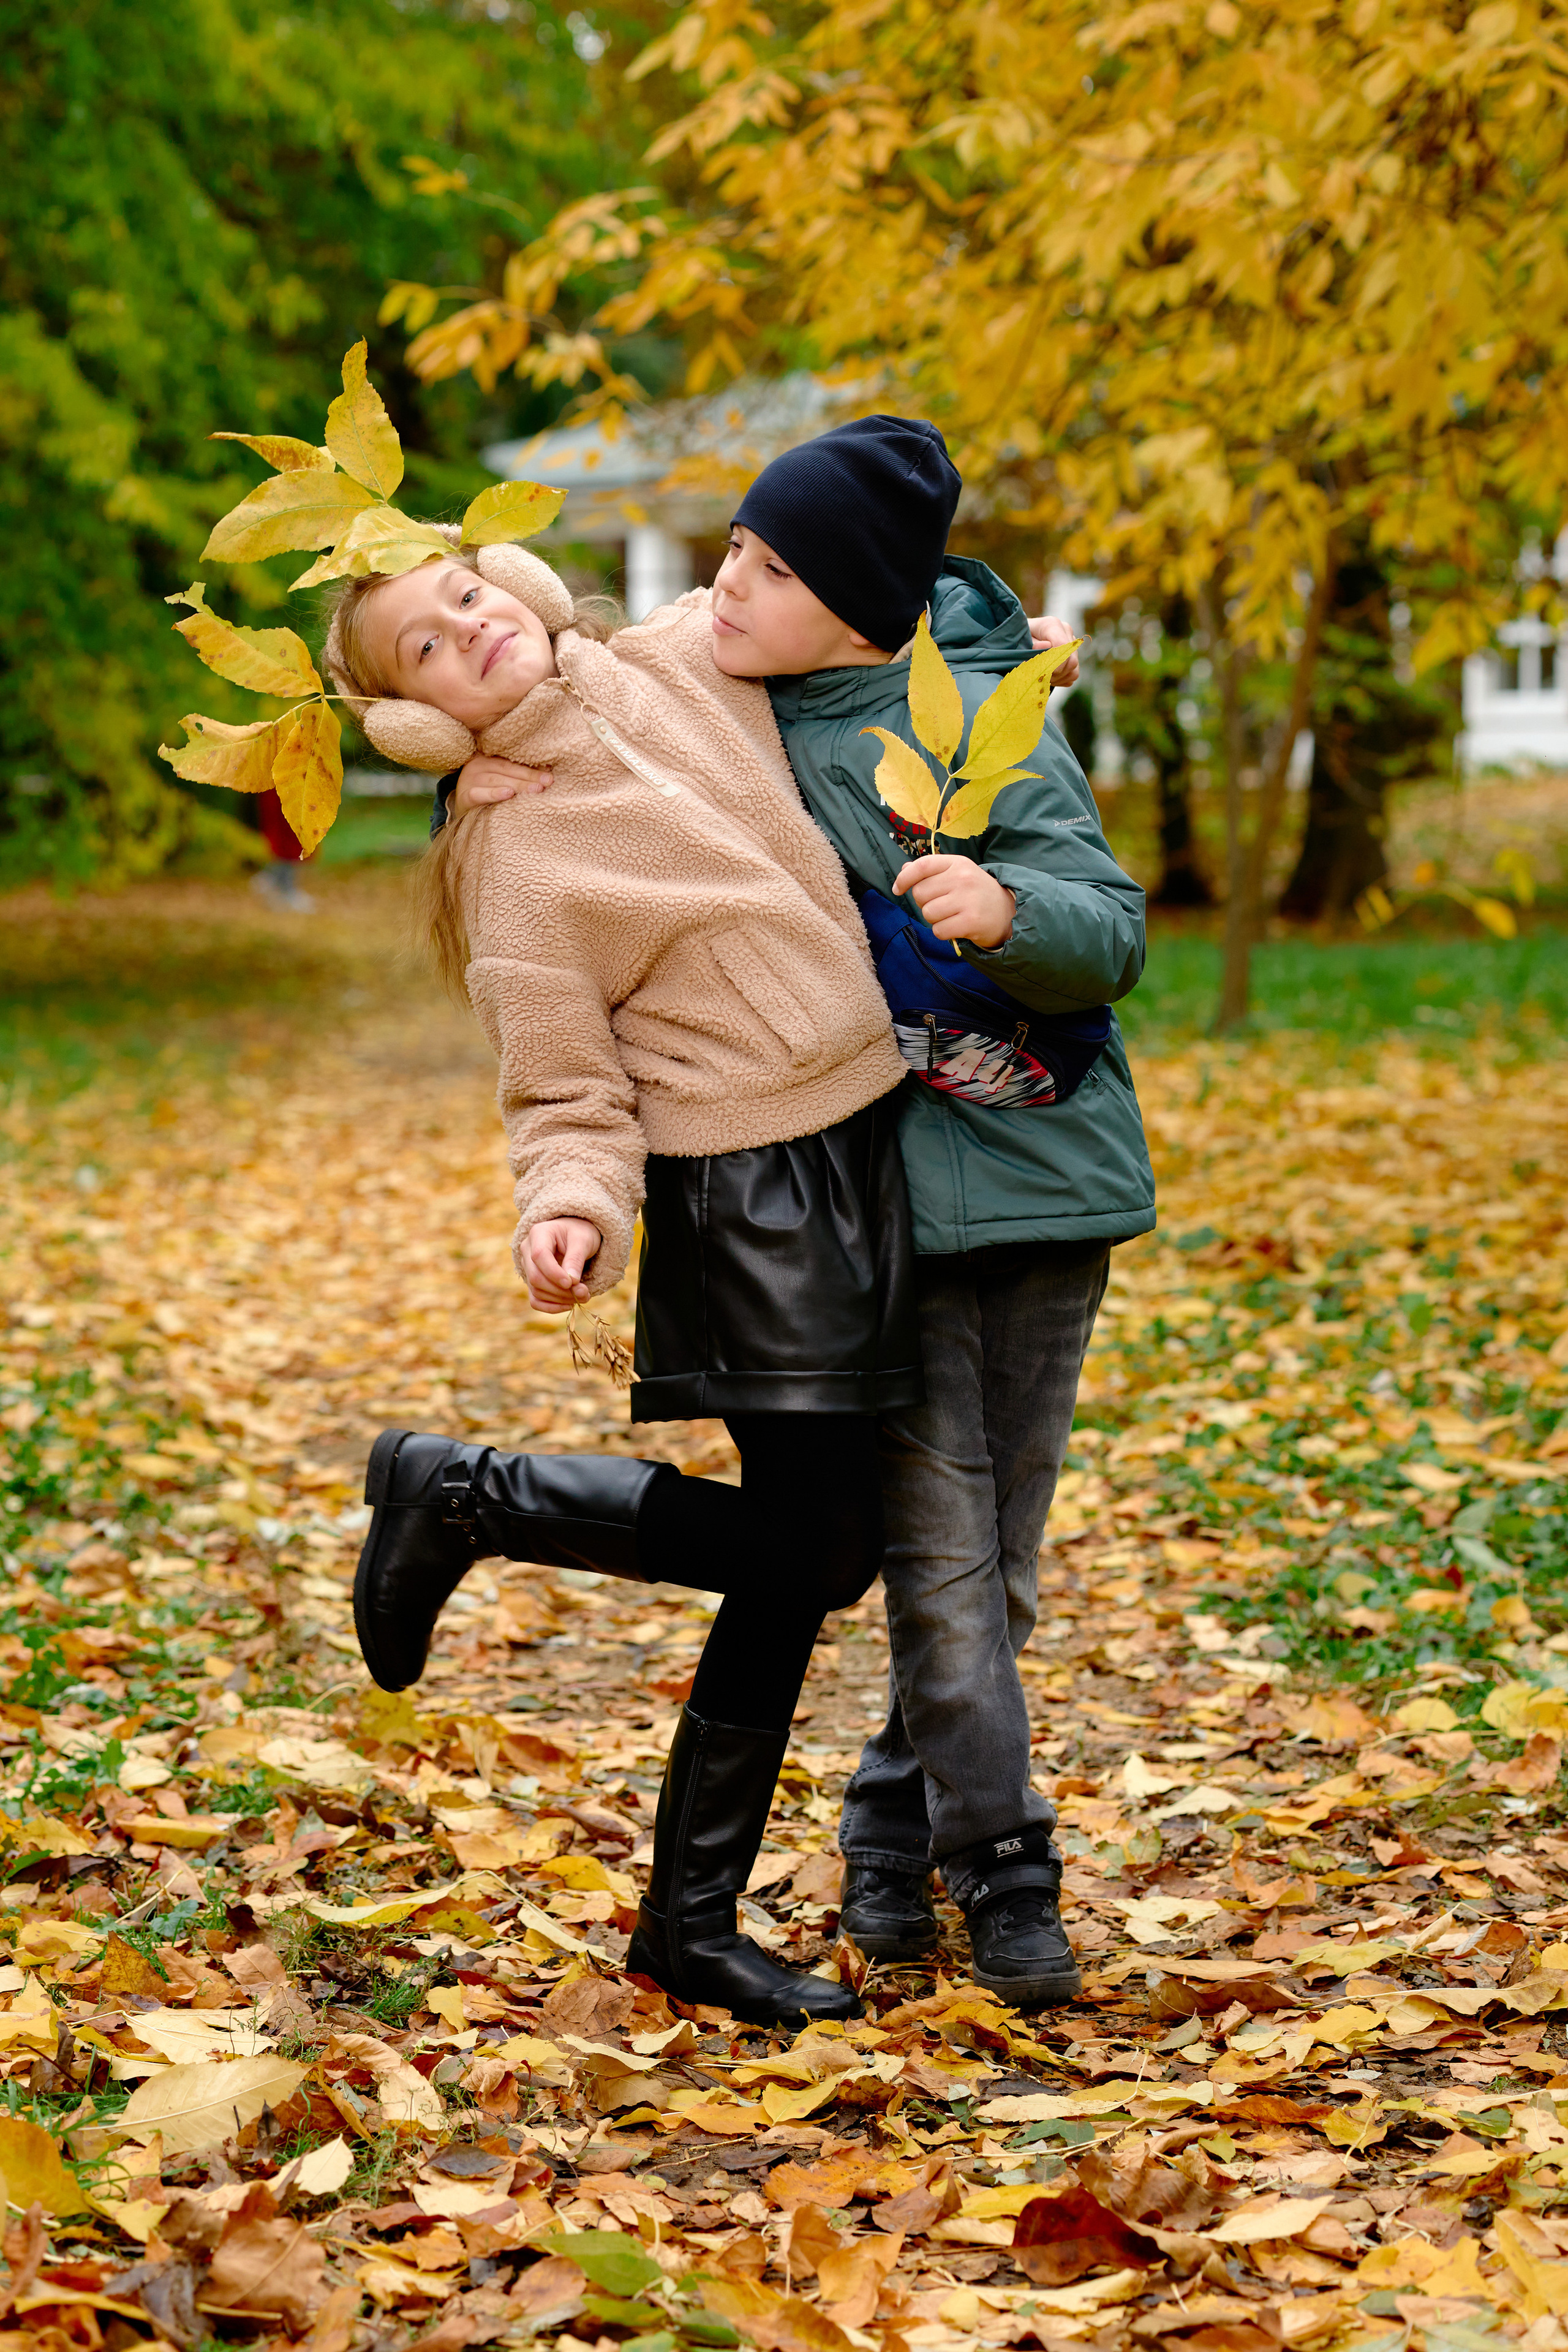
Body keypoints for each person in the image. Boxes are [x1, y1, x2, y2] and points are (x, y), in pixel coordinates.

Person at [440, 418, 1155, 2008]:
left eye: (768, 566)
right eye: (733, 553)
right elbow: (572, 668)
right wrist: (487, 747)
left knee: (1003, 1577)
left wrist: (1010, 910)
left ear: (852, 603)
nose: (725, 584)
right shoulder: (726, 699)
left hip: (1045, 1190)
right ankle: (1008, 1867)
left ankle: (890, 1834)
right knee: (944, 1577)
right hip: (873, 1206)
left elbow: (1108, 928)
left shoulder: (976, 724)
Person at [326, 530, 921, 2029]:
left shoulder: (664, 657)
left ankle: (687, 1927)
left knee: (805, 1559)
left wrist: (982, 653)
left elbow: (806, 614)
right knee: (817, 1550)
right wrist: (571, 1210)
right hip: (749, 1194)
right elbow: (562, 1094)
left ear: (514, 583)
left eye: (465, 596)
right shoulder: (517, 858)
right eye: (422, 650)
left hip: (863, 1146)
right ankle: (468, 1497)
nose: (466, 635)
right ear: (412, 721)